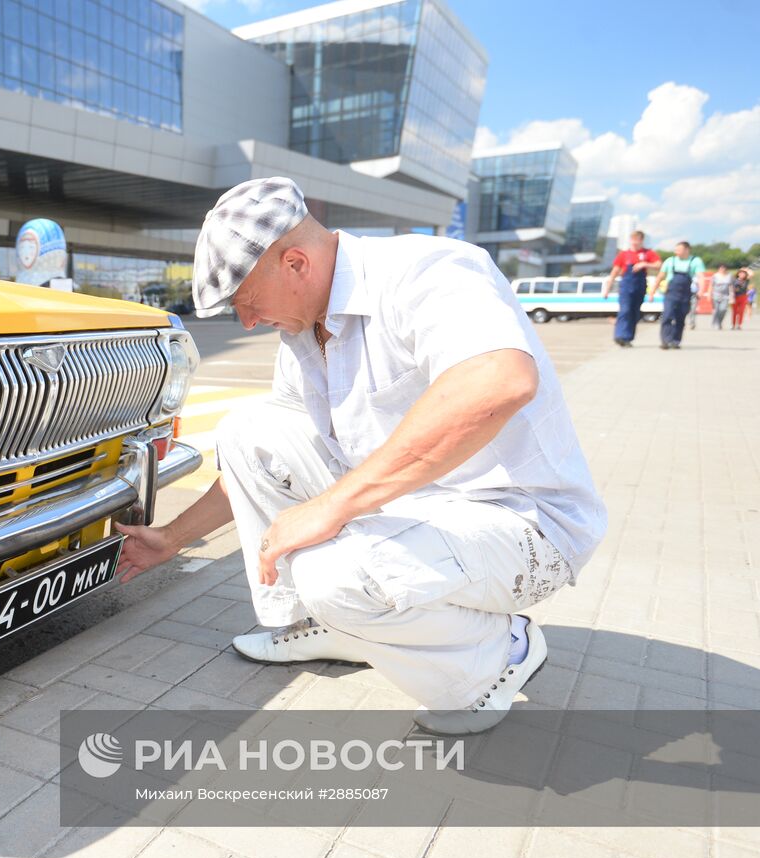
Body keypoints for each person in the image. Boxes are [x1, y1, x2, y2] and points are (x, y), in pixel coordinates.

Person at [115, 177, 606, 735]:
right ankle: (333, 623)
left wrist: (333, 507)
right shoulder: (302, 335)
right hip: (414, 507)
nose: (246, 322)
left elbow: (499, 381)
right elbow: (256, 462)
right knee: (248, 430)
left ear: (295, 263)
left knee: (331, 575)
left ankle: (501, 654)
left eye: (247, 303)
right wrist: (173, 538)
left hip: (520, 524)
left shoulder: (430, 269)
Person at [601, 231, 660, 346]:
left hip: (640, 285)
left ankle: (628, 338)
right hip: (626, 286)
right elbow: (615, 271)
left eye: (637, 239)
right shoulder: (623, 254)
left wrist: (645, 264)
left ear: (641, 240)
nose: (634, 242)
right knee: (625, 310)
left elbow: (658, 265)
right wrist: (607, 288)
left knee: (634, 312)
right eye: (632, 239)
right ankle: (620, 335)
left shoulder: (648, 253)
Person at [649, 242, 705, 347]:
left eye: (679, 249)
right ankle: (665, 340)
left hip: (685, 294)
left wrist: (701, 290)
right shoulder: (670, 261)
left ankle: (675, 341)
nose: (676, 252)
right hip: (671, 293)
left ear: (687, 250)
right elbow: (660, 276)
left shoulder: (695, 261)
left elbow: (701, 276)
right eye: (676, 249)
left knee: (681, 317)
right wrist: (652, 291)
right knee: (667, 315)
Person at [709, 264, 734, 330]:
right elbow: (711, 285)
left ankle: (719, 322)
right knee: (716, 310)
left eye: (724, 268)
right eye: (721, 268)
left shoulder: (729, 276)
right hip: (716, 295)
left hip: (725, 295)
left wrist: (732, 296)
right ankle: (716, 322)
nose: (722, 270)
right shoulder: (715, 276)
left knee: (723, 309)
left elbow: (731, 286)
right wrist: (709, 294)